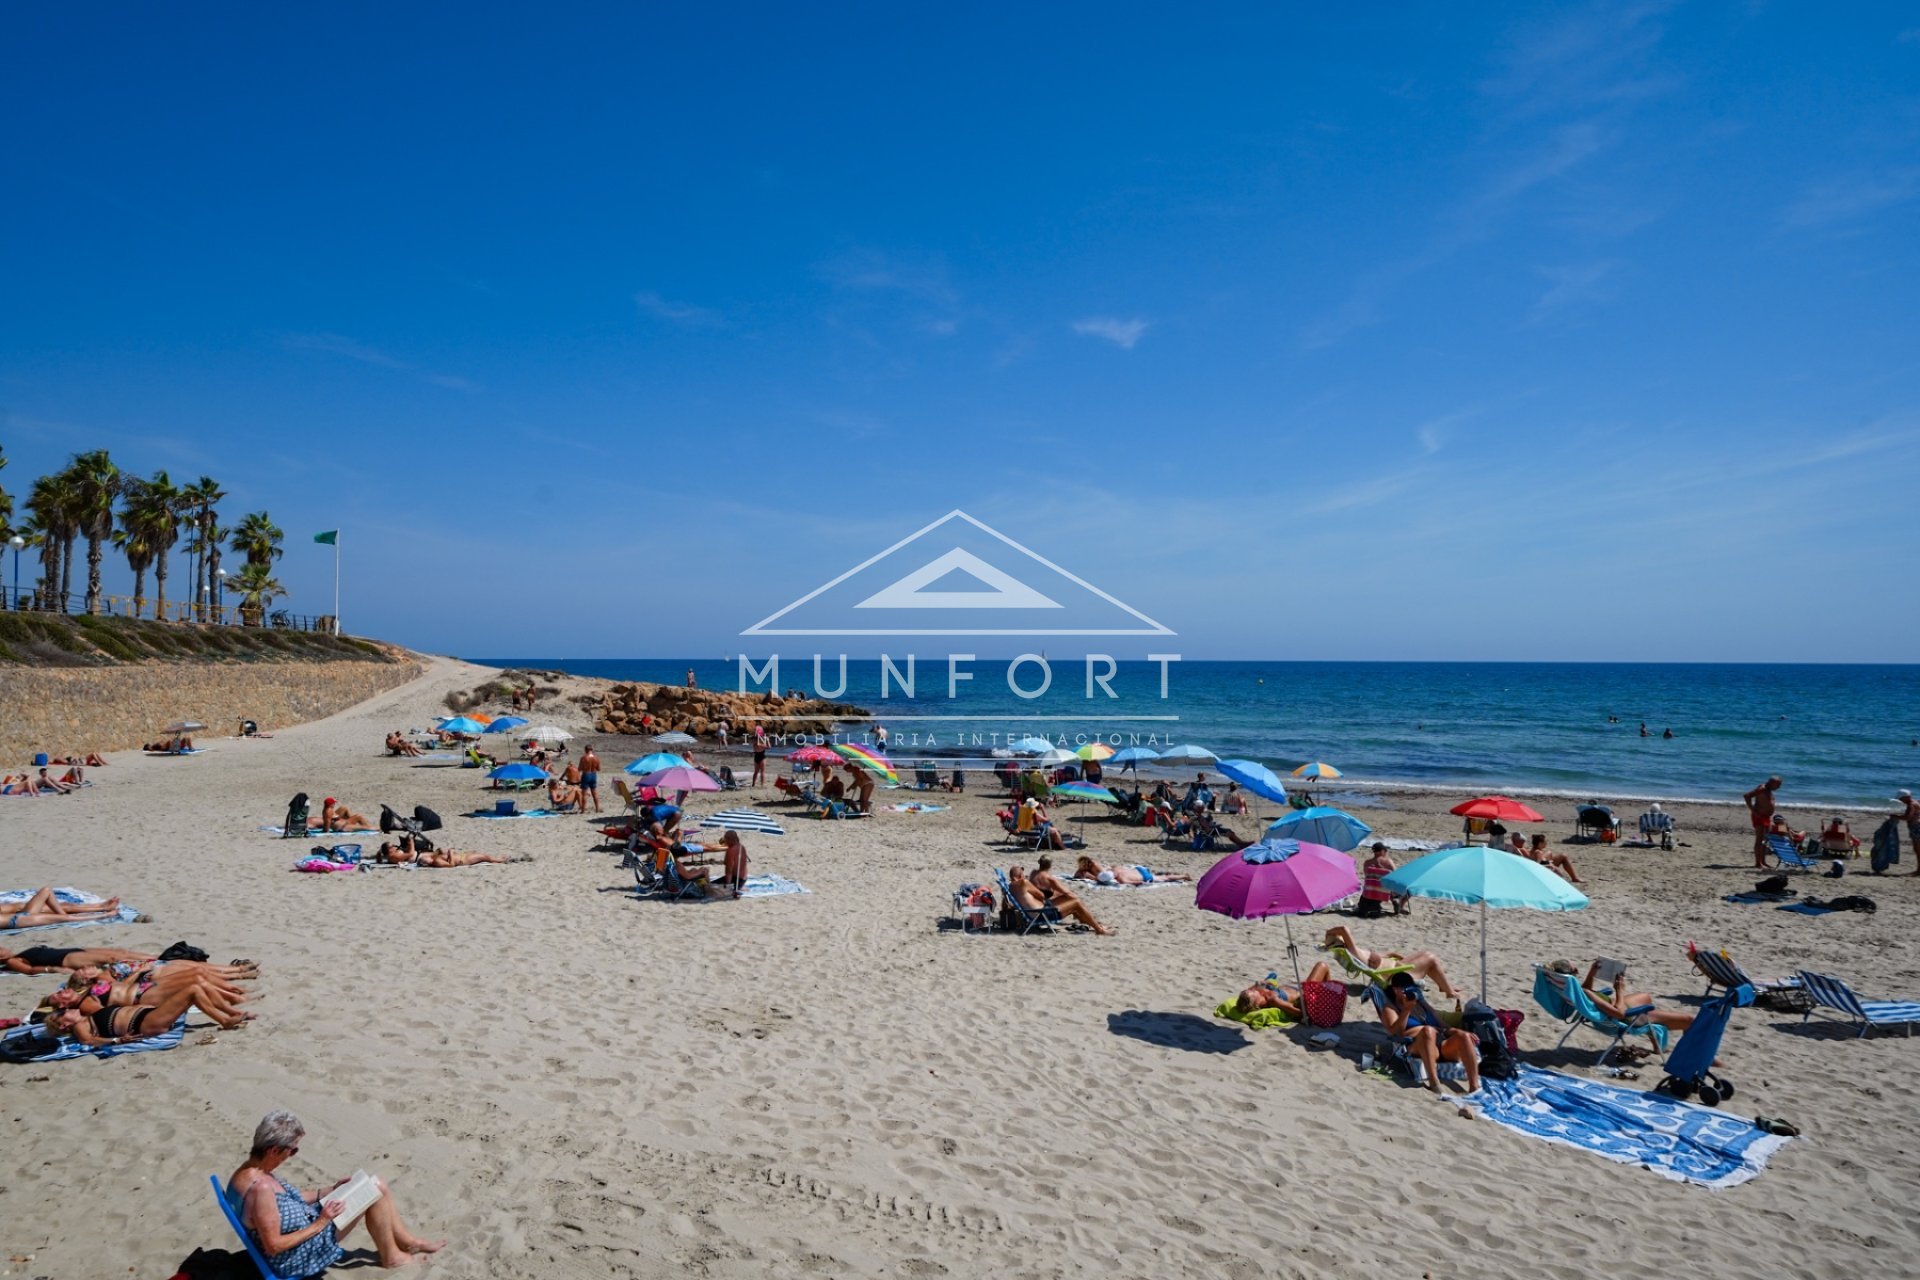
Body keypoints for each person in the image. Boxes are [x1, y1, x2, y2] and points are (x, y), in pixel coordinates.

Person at [228, 1110, 445, 1274]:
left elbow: (287, 1200)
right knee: (374, 1191)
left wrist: (330, 1190)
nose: (292, 1155)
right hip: (299, 1252)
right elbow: (274, 1246)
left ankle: (409, 1242)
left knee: (376, 1183)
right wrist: (321, 1222)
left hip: (309, 1221)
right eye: (292, 1150)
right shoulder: (262, 1188)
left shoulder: (248, 1172)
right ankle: (392, 1257)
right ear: (274, 1150)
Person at [1379, 972, 1481, 1093]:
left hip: (1440, 1044)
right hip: (1416, 1045)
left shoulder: (1421, 1004)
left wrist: (1459, 1032)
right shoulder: (1390, 1008)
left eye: (1410, 988)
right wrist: (1406, 1009)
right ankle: (1434, 1082)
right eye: (1404, 989)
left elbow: (1443, 1026)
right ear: (1395, 990)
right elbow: (1396, 1033)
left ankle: (1474, 1086)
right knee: (1428, 1031)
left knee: (1464, 1036)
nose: (1409, 992)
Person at [1321, 925, 1459, 998]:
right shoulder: (1353, 952)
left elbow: (1382, 957)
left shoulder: (1356, 952)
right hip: (1395, 974)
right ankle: (1449, 992)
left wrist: (1392, 954)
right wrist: (1329, 931)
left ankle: (1444, 987)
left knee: (1424, 954)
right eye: (1340, 939)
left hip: (1395, 967)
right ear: (1340, 943)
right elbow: (1344, 929)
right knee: (1431, 958)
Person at [1577, 960, 1697, 1033]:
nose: (1577, 970)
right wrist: (1619, 990)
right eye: (1575, 970)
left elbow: (1585, 990)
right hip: (1625, 1017)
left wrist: (1592, 973)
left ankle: (1655, 1039)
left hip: (1611, 1007)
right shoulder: (1588, 994)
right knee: (1689, 1020)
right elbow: (1619, 1014)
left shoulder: (1575, 991)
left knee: (1646, 997)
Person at [1007, 864, 1110, 935]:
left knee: (1068, 897)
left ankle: (1094, 924)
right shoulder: (1024, 883)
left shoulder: (1010, 887)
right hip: (1042, 914)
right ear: (1020, 876)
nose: (1025, 876)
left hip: (1037, 911)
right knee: (1076, 902)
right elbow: (1041, 895)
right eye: (1023, 874)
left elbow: (1008, 905)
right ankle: (1098, 929)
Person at [1233, 961, 1338, 1018]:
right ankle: (1332, 998)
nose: (1252, 990)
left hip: (1300, 988)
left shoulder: (1263, 994)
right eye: (1251, 992)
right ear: (1256, 1002)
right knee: (1322, 966)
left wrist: (1263, 984)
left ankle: (1332, 995)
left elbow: (1255, 987)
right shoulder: (1273, 999)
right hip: (1306, 993)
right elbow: (1299, 1013)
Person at [1, 943, 156, 976]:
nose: (3, 949)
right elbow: (29, 970)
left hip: (69, 950)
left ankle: (157, 958)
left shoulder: (17, 955)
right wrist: (54, 969)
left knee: (120, 951)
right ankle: (155, 962)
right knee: (112, 958)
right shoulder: (11, 961)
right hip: (64, 959)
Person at [3, 888, 123, 930]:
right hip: (19, 920)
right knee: (68, 918)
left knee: (48, 892)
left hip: (19, 913)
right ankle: (104, 914)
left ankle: (101, 907)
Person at [1357, 842, 1408, 917]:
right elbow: (1396, 876)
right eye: (1385, 850)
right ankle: (1397, 903)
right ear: (1382, 851)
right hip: (1386, 891)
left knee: (1380, 884)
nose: (1386, 852)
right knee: (1407, 889)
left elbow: (1367, 877)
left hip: (1370, 889)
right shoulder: (1388, 862)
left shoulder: (1367, 863)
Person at [1744, 775, 1783, 869]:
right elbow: (1747, 796)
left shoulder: (1768, 790)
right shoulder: (1762, 788)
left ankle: (1763, 862)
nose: (1779, 787)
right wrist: (1753, 811)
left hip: (1766, 817)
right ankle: (1758, 863)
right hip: (1759, 817)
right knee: (1760, 839)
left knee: (1765, 840)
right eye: (1778, 785)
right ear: (1772, 783)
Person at [1070, 855, 1191, 885]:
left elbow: (1132, 882)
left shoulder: (1119, 877)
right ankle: (1179, 875)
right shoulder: (1115, 869)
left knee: (1165, 878)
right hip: (1137, 870)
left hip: (1143, 876)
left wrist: (1142, 883)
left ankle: (1184, 876)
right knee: (1163, 876)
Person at [1897, 789, 1920, 876]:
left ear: (1906, 797)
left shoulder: (1911, 804)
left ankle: (1919, 871)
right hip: (1916, 826)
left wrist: (1895, 816)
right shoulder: (1915, 801)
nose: (1900, 800)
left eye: (1901, 799)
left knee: (1917, 849)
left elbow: (1907, 817)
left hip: (1916, 827)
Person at [578, 744, 602, 813]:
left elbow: (579, 768)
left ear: (585, 750)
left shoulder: (583, 758)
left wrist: (585, 767)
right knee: (594, 792)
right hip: (593, 775)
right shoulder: (596, 758)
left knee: (584, 793)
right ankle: (597, 808)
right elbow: (599, 769)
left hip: (586, 775)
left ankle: (583, 810)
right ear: (592, 750)